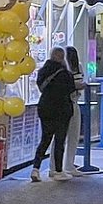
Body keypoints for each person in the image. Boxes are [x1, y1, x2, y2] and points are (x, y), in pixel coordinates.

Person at [29, 48, 77, 182]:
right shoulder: (65, 73)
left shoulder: (43, 71)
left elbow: (40, 86)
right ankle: (58, 171)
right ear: (62, 57)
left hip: (45, 107)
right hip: (62, 109)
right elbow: (71, 89)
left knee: (45, 139)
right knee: (59, 140)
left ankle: (35, 169)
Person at [63, 46, 86, 176]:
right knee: (69, 136)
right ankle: (66, 165)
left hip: (71, 102)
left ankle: (64, 165)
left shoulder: (75, 67)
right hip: (70, 102)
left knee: (67, 136)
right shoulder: (74, 68)